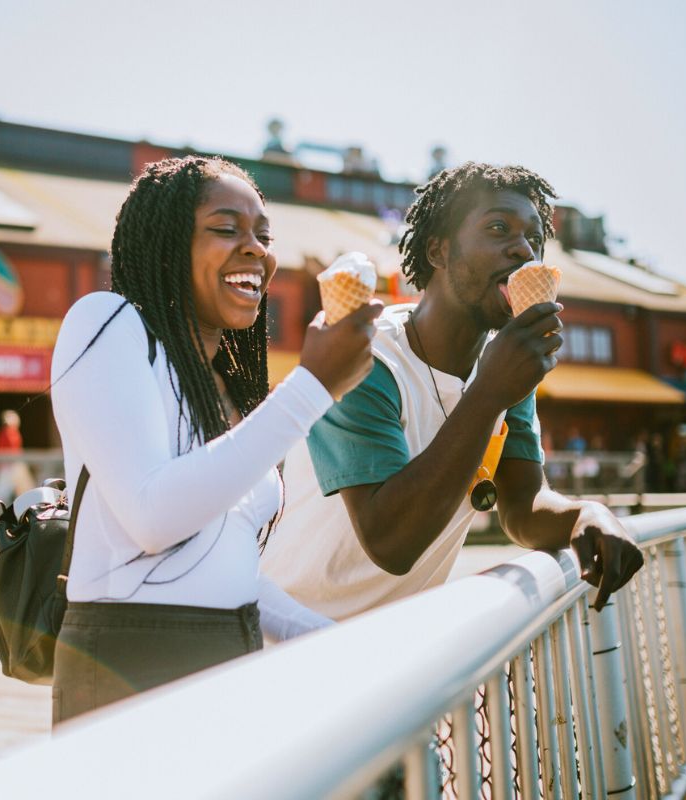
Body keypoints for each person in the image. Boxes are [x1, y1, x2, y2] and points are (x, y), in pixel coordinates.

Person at [50, 155, 380, 725]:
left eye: (263, 235)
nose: (256, 249)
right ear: (166, 245)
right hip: (132, 667)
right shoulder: (105, 322)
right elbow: (152, 518)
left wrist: (332, 640)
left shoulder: (222, 389)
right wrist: (313, 388)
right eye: (226, 230)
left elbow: (226, 571)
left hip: (230, 661)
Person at [261, 162, 644, 623]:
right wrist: (488, 393)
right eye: (499, 228)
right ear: (438, 250)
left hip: (397, 648)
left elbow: (522, 508)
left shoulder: (504, 366)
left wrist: (587, 513)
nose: (524, 250)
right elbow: (391, 543)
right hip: (285, 639)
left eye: (535, 238)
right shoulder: (367, 357)